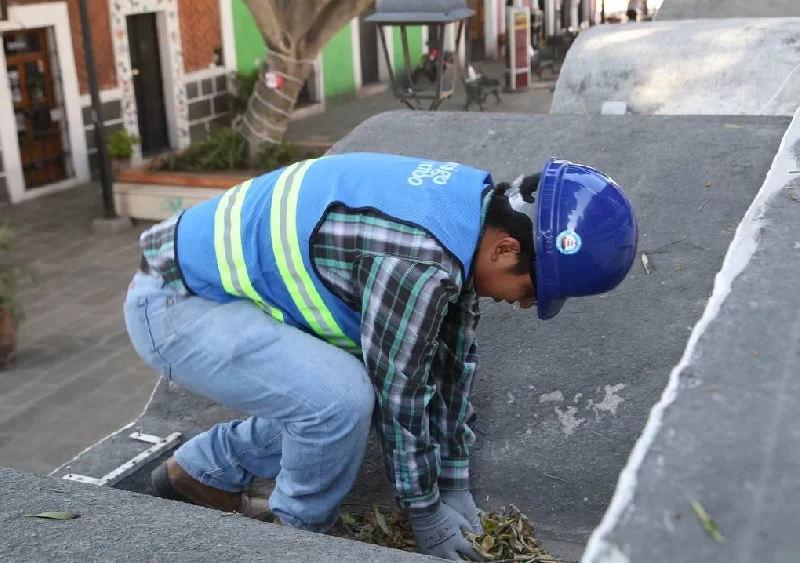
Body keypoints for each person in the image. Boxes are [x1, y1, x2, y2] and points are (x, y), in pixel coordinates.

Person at [123, 152, 638, 561]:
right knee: (341, 401)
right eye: (533, 289)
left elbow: (452, 366)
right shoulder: (420, 259)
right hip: (174, 305)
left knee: (345, 396)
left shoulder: (468, 214)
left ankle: (200, 473)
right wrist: (425, 514)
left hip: (207, 292)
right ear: (506, 249)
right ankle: (291, 541)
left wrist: (454, 480)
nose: (526, 303)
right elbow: (402, 392)